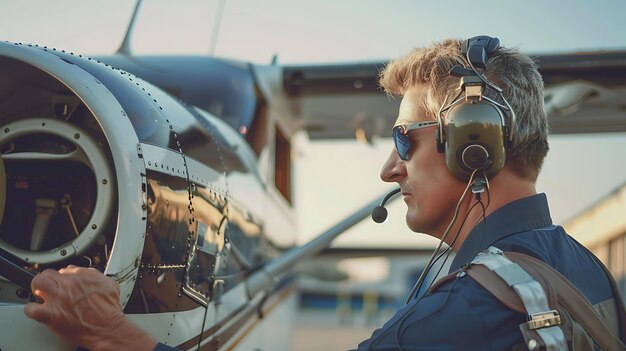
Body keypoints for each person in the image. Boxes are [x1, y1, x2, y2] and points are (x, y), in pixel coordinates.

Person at [24, 37, 623, 350]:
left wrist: (110, 333)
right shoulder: (586, 274)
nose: (389, 169)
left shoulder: (462, 315)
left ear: (475, 147)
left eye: (404, 139)